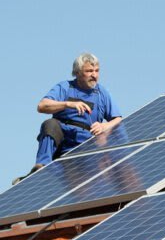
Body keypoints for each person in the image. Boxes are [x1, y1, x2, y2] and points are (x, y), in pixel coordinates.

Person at [13, 53, 122, 185]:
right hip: (62, 135)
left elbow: (118, 119)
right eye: (89, 71)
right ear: (77, 73)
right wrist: (67, 104)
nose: (94, 75)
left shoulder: (101, 93)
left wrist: (104, 126)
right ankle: (41, 167)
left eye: (96, 71)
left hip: (86, 140)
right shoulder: (64, 87)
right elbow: (42, 106)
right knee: (50, 124)